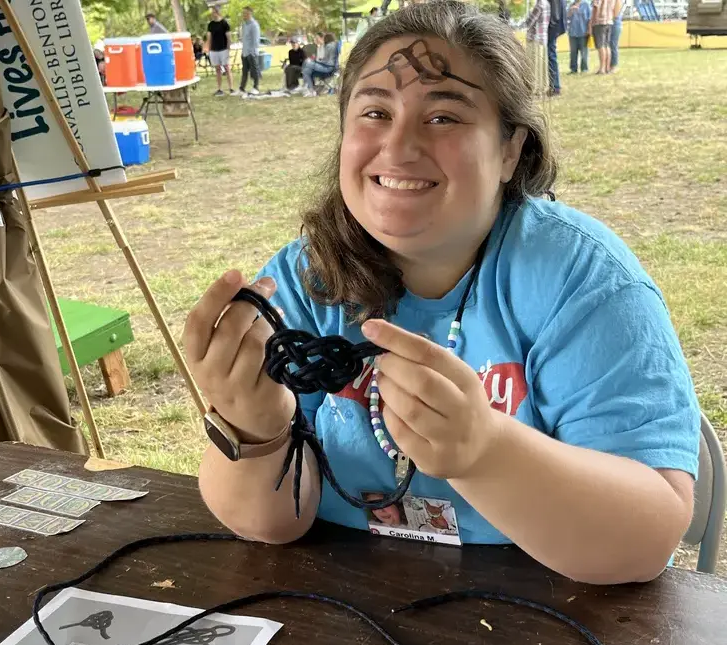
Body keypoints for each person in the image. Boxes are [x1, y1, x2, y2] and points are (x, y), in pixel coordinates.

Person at [183, 2, 699, 586]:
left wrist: (486, 453)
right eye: (375, 111)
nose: (398, 148)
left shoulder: (581, 280)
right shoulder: (307, 278)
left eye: (444, 117)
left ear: (510, 149)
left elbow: (644, 541)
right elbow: (268, 524)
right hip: (345, 608)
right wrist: (253, 426)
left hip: (545, 619)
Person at [522, 0, 550, 99]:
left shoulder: (539, 5)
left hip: (535, 38)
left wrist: (518, 25)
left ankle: (535, 90)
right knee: (542, 66)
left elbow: (529, 22)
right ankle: (543, 88)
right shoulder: (546, 3)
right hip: (543, 38)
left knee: (534, 66)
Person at [206, 6, 235, 96]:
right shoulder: (210, 24)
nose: (212, 14)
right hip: (214, 50)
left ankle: (231, 88)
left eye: (213, 12)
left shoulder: (224, 23)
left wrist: (228, 48)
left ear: (217, 12)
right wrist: (209, 49)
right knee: (217, 69)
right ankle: (219, 89)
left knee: (227, 68)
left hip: (223, 49)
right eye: (211, 12)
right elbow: (209, 38)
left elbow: (228, 37)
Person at [302, 32, 339, 97]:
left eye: (317, 38)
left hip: (328, 68)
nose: (315, 40)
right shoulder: (322, 47)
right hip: (326, 67)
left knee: (307, 63)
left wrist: (316, 61)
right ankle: (310, 89)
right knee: (306, 70)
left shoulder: (329, 46)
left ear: (323, 38)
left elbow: (326, 60)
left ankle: (310, 89)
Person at [239, 6, 262, 96]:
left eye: (245, 13)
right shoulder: (244, 24)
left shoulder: (254, 25)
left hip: (252, 53)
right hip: (244, 52)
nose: (243, 15)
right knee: (244, 71)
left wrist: (252, 53)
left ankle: (256, 87)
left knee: (254, 70)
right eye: (243, 13)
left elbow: (256, 41)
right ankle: (242, 88)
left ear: (249, 14)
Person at [547, 0, 567, 97]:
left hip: (552, 28)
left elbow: (555, 15)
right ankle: (554, 86)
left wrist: (551, 28)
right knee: (551, 56)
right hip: (555, 27)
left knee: (551, 57)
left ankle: (555, 86)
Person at [590, 0, 616, 75]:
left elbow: (595, 8)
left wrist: (592, 23)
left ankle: (602, 68)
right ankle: (607, 68)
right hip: (609, 21)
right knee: (607, 45)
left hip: (599, 22)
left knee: (601, 46)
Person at [567, 0, 591, 73]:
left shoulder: (586, 4)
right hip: (573, 32)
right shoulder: (571, 4)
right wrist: (570, 11)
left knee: (584, 52)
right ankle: (573, 69)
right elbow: (566, 17)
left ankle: (584, 69)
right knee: (573, 52)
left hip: (583, 32)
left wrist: (589, 29)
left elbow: (590, 18)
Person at [610, 0, 624, 73]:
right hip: (609, 22)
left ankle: (613, 66)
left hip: (615, 23)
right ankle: (607, 65)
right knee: (608, 45)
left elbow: (615, 14)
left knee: (613, 45)